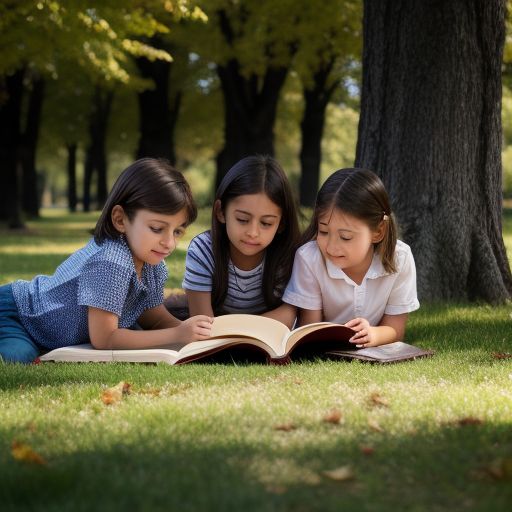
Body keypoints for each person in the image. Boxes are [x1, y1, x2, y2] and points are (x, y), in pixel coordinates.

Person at [0, 158, 213, 364]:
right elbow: (104, 339)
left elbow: (153, 317)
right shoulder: (112, 261)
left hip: (46, 329)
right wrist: (177, 333)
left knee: (136, 333)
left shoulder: (151, 261)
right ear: (120, 219)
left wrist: (194, 334)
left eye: (177, 231)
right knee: (17, 356)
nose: (169, 242)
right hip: (18, 316)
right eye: (157, 229)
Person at [282, 167, 419, 347]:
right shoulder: (309, 258)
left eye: (345, 237)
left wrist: (373, 334)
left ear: (378, 232)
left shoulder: (400, 258)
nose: (331, 246)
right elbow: (310, 329)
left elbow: (396, 329)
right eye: (323, 231)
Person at [166, 155, 300, 327]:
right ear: (221, 211)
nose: (253, 232)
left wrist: (240, 329)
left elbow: (288, 315)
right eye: (242, 219)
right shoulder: (204, 250)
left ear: (281, 223)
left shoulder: (289, 255)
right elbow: (203, 322)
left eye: (266, 223)